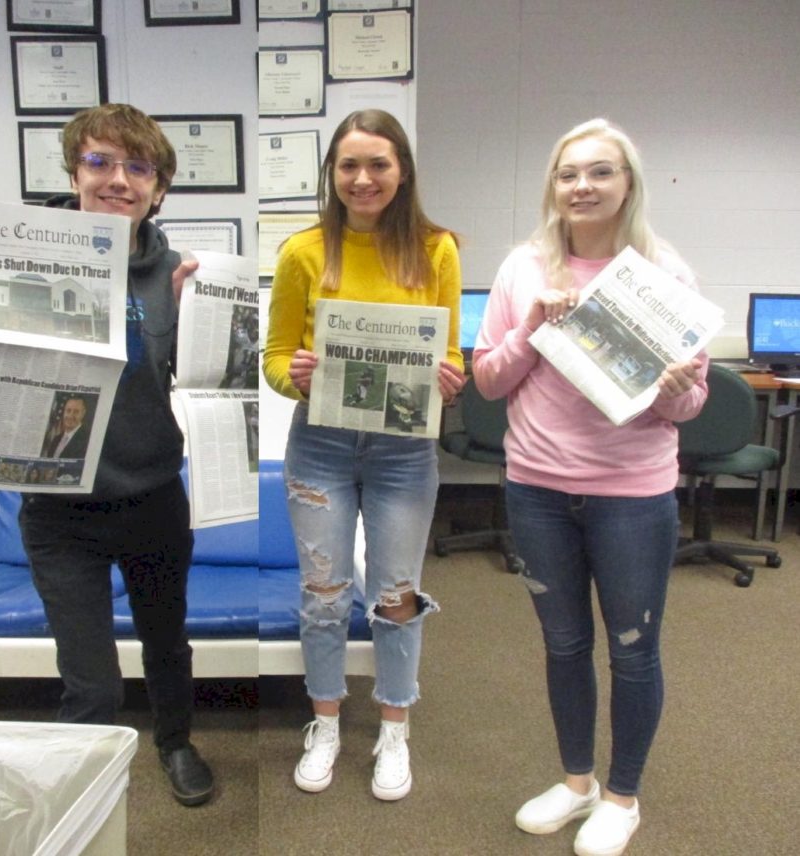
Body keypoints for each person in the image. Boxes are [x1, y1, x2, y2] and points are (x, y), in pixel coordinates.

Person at [0, 103, 214, 807]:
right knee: (91, 681)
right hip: (60, 513)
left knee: (167, 646)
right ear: (74, 171)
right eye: (100, 162)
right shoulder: (10, 257)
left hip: (152, 496)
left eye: (137, 167)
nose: (119, 179)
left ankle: (175, 742)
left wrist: (204, 321)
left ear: (159, 187)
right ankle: (76, 791)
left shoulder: (175, 273)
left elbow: (201, 385)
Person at [472, 118, 708, 855]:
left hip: (632, 493)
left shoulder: (662, 275)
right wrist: (532, 325)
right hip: (537, 488)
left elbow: (689, 405)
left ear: (627, 183)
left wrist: (672, 390)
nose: (582, 186)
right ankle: (576, 784)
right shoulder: (523, 270)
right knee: (564, 644)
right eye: (569, 173)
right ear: (554, 184)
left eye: (600, 172)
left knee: (634, 650)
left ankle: (622, 797)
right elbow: (486, 380)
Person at [263, 108, 466, 801]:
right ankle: (323, 722)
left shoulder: (436, 249)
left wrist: (450, 377)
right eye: (348, 165)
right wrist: (292, 374)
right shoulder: (302, 252)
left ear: (402, 169)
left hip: (403, 452)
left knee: (395, 596)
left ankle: (394, 728)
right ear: (333, 174)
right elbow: (273, 356)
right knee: (323, 595)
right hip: (319, 444)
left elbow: (449, 353)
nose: (363, 178)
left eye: (378, 163)